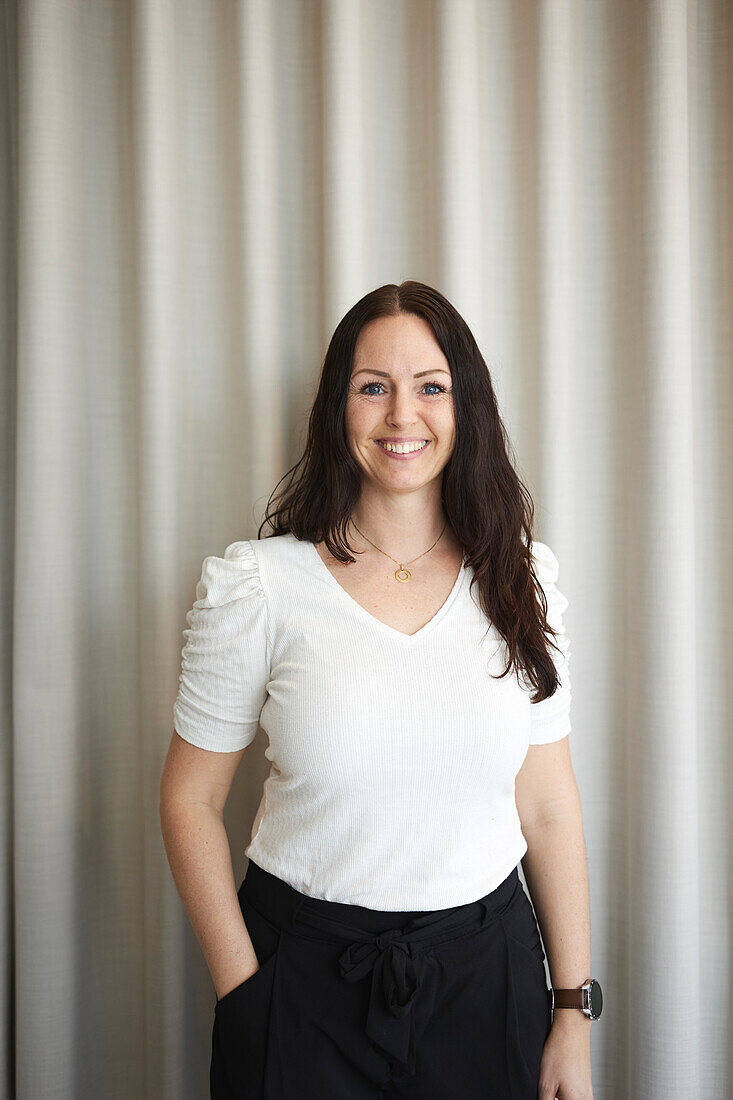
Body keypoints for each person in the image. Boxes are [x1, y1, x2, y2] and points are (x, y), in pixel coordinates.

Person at [159, 281, 596, 1100]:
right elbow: (188, 799)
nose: (403, 416)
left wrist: (570, 1008)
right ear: (338, 409)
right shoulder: (258, 587)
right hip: (301, 982)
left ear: (465, 409)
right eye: (373, 388)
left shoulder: (520, 581)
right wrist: (245, 993)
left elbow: (546, 805)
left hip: (488, 979)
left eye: (431, 387)